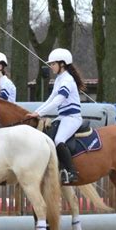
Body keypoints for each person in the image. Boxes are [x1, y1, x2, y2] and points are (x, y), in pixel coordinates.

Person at [26, 48, 85, 184]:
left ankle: (71, 172)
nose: (51, 66)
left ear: (62, 64)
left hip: (72, 118)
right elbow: (50, 99)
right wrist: (35, 112)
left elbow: (59, 100)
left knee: (59, 140)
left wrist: (39, 113)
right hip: (63, 117)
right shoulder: (59, 79)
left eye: (53, 64)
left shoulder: (67, 80)